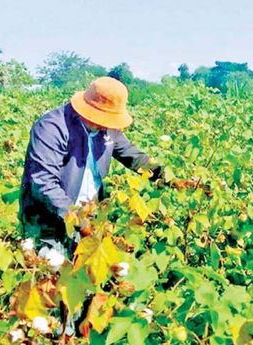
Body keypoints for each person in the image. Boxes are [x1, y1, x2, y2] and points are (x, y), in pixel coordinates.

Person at [19, 76, 164, 251]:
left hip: (90, 217)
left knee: (87, 274)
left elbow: (133, 156)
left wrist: (166, 176)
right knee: (52, 272)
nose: (107, 125)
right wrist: (79, 220)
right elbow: (43, 183)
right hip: (49, 222)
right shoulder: (52, 127)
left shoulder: (107, 129)